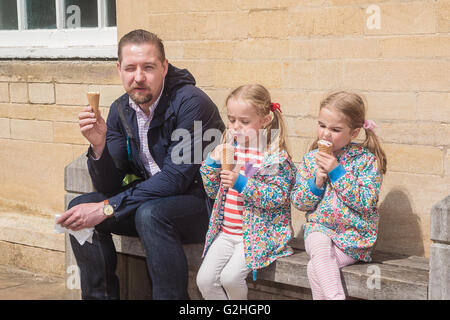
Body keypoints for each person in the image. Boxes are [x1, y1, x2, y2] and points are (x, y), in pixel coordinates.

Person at [56, 29, 224, 300]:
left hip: (203, 206)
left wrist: (108, 208)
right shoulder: (121, 110)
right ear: (119, 69)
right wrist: (99, 148)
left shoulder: (192, 103)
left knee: (150, 214)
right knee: (79, 210)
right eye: (131, 68)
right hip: (152, 202)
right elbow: (108, 185)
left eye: (148, 67)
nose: (139, 77)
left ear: (164, 67)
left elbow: (175, 179)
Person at [196, 84, 297, 299]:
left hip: (256, 236)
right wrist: (212, 164)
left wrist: (241, 182)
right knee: (204, 281)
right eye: (232, 120)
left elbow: (277, 197)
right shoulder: (230, 149)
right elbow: (213, 191)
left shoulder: (274, 157)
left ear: (265, 120)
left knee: (230, 278)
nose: (235, 127)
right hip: (225, 233)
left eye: (244, 122)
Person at [291, 91, 387, 300]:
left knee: (314, 268)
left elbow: (366, 202)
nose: (325, 134)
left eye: (335, 129)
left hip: (353, 237)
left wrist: (337, 172)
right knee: (318, 243)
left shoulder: (366, 161)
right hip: (319, 229)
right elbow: (299, 202)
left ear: (353, 133)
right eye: (322, 125)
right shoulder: (310, 159)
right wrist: (317, 182)